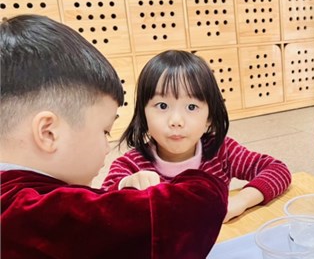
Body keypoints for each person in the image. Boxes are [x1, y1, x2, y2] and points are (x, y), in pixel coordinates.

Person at [0, 15, 228, 259]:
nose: (107, 147)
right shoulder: (39, 216)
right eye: (104, 131)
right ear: (48, 132)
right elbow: (200, 205)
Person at [101, 50, 291, 222]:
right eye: (162, 106)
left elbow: (277, 170)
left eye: (191, 107)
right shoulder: (130, 166)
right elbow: (101, 206)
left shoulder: (222, 151)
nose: (176, 121)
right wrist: (125, 185)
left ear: (209, 118)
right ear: (143, 115)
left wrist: (241, 201)